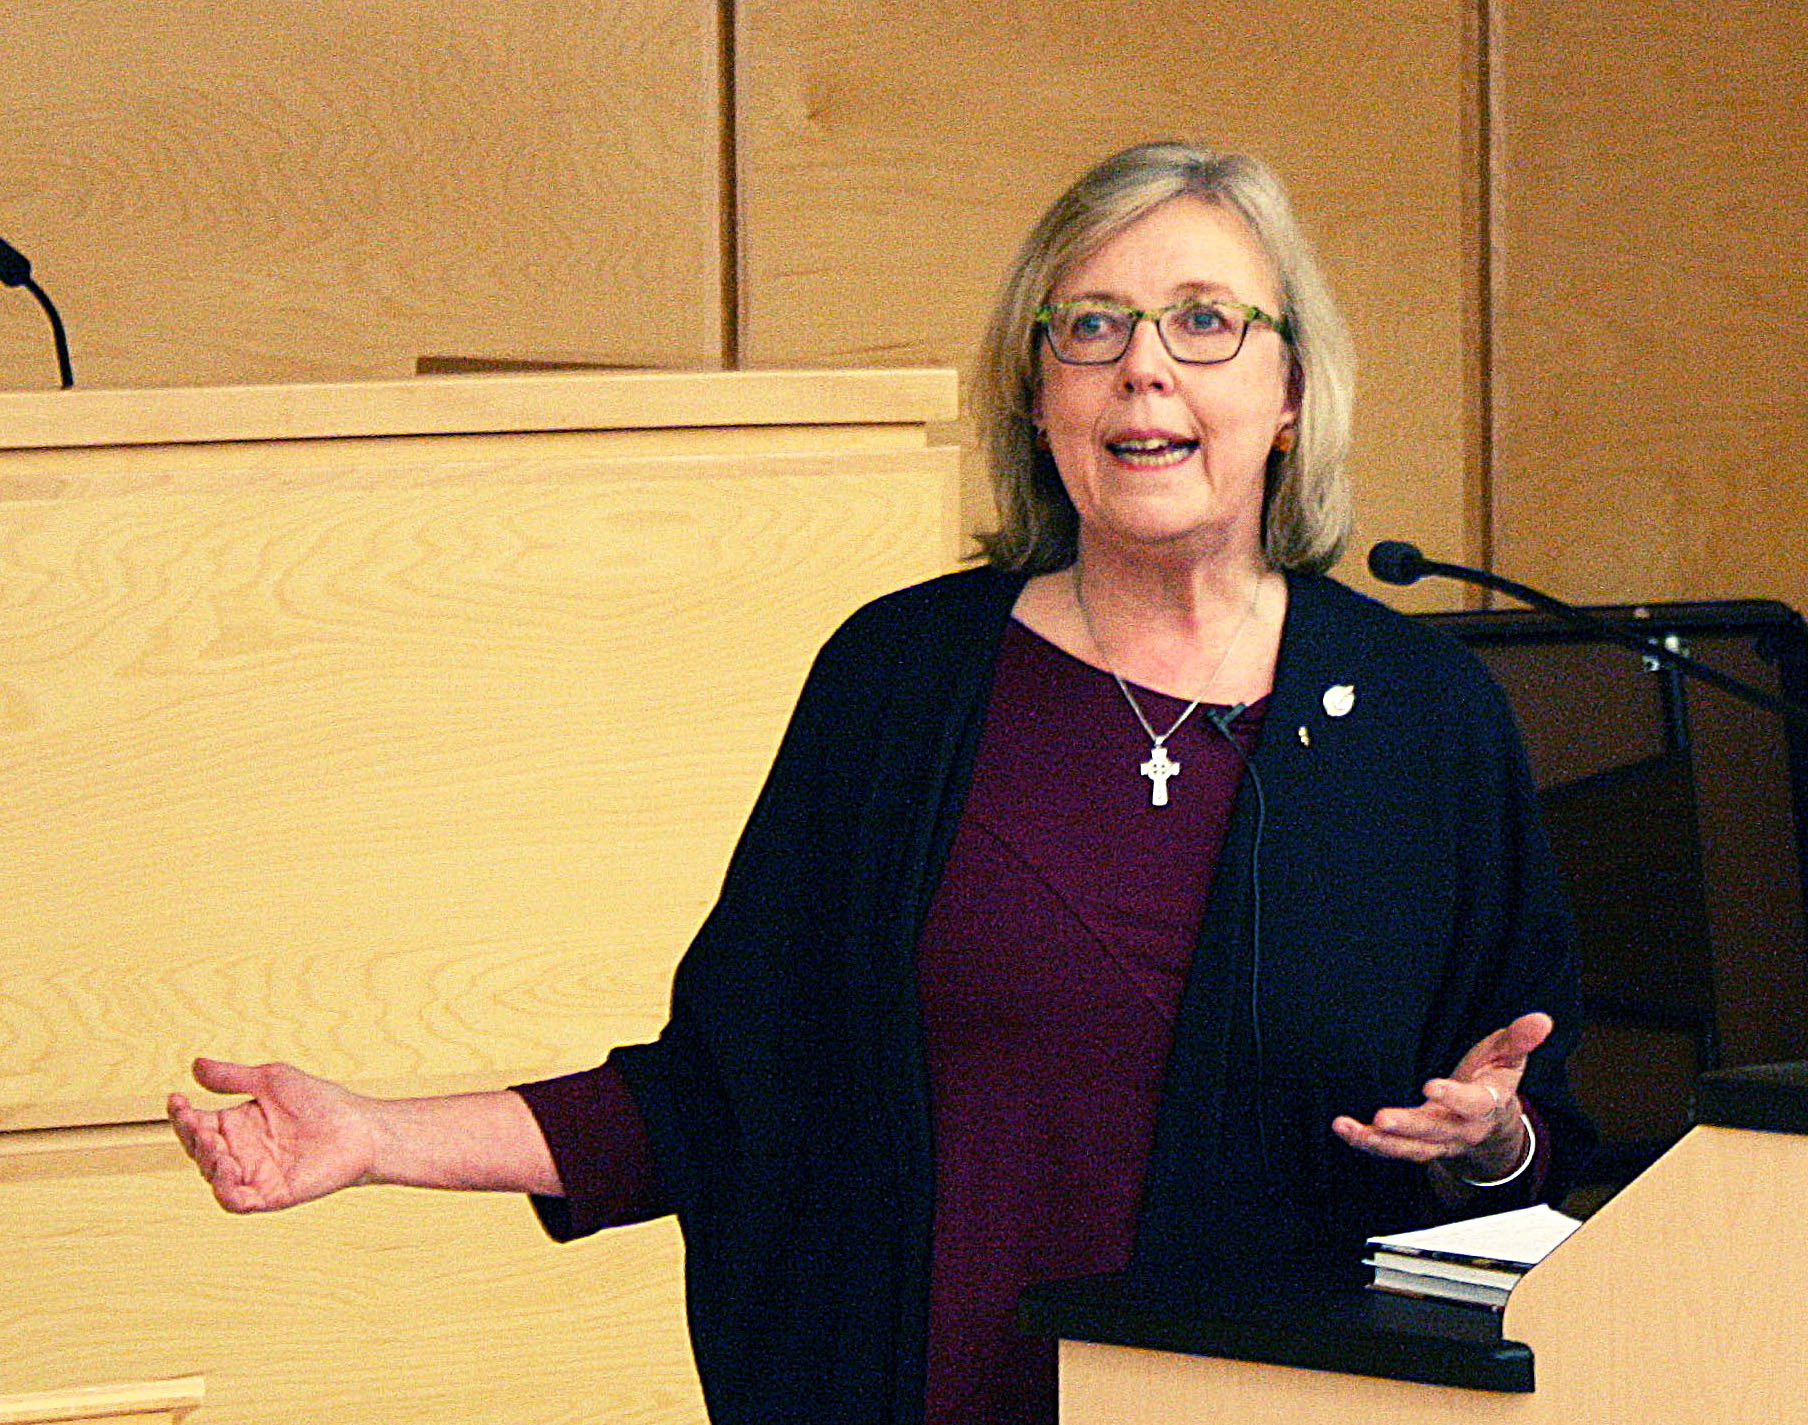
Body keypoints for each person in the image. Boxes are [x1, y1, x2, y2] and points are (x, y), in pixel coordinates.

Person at [169, 141, 1590, 1425]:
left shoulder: (1422, 722)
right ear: (1040, 400)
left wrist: (1492, 1141)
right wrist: (374, 1135)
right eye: (1091, 327)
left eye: (1206, 322)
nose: (1144, 368)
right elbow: (722, 1093)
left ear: (1291, 394)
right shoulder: (902, 682)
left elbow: (1541, 1143)